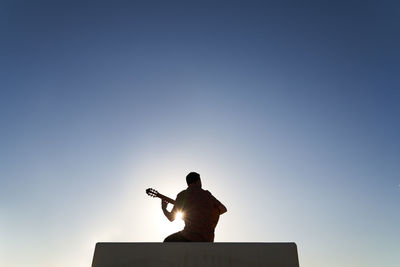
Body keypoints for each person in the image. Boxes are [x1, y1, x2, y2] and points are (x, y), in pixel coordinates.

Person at [161, 172, 227, 242]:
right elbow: (223, 209)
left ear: (188, 183)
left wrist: (164, 208)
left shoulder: (182, 195)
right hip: (208, 238)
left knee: (167, 241)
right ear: (198, 181)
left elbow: (171, 218)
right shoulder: (207, 194)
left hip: (190, 237)